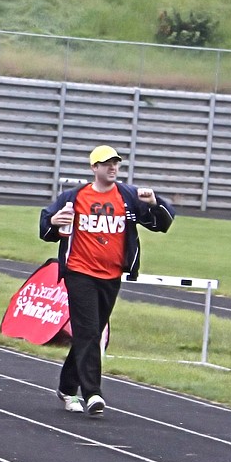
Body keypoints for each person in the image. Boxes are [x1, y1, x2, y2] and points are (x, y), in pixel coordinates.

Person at [40, 144, 175, 415]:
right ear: (94, 168)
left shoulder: (128, 196)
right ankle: (93, 393)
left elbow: (163, 223)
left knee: (88, 334)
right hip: (79, 273)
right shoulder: (73, 197)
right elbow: (46, 228)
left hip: (111, 275)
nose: (112, 168)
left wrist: (156, 203)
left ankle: (67, 388)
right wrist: (53, 222)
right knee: (89, 331)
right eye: (106, 163)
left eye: (116, 163)